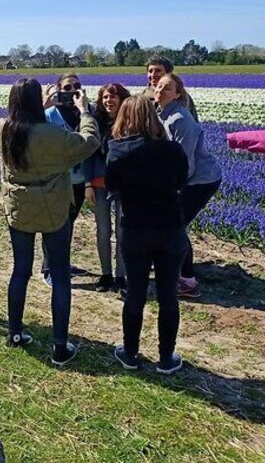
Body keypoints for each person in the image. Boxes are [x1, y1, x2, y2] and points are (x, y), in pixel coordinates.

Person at [0, 78, 99, 366]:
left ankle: (14, 332)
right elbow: (89, 143)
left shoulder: (1, 128)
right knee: (61, 276)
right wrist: (85, 111)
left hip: (19, 208)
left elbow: (23, 128)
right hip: (53, 208)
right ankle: (59, 346)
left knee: (20, 271)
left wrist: (39, 107)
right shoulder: (52, 134)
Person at [105, 95, 189, 374]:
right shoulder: (172, 150)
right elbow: (181, 181)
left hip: (135, 229)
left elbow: (112, 185)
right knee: (168, 296)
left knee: (136, 294)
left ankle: (130, 353)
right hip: (170, 229)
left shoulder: (117, 150)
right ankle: (166, 357)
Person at [154, 74, 222, 299]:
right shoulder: (161, 113)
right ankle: (179, 272)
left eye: (167, 88)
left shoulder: (180, 119)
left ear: (178, 94)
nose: (160, 90)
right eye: (159, 86)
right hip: (186, 177)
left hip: (201, 179)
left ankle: (187, 280)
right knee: (173, 224)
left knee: (175, 224)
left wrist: (172, 188)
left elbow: (185, 163)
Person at [39, 73, 92, 285]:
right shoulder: (50, 114)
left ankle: (62, 262)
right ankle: (49, 269)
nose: (72, 91)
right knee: (54, 225)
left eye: (76, 86)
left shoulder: (84, 113)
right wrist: (42, 105)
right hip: (56, 180)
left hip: (78, 180)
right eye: (67, 87)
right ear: (59, 89)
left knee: (69, 223)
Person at [84, 83, 131, 293]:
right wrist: (86, 183)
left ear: (122, 99)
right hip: (99, 183)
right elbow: (86, 153)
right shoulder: (95, 122)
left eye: (113, 97)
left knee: (123, 231)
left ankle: (121, 276)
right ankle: (105, 274)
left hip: (123, 185)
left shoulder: (130, 122)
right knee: (103, 230)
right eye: (104, 98)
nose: (108, 101)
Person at [143, 56, 199, 121]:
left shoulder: (181, 96)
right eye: (150, 71)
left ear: (168, 73)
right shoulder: (143, 96)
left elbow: (191, 121)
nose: (153, 74)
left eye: (158, 71)